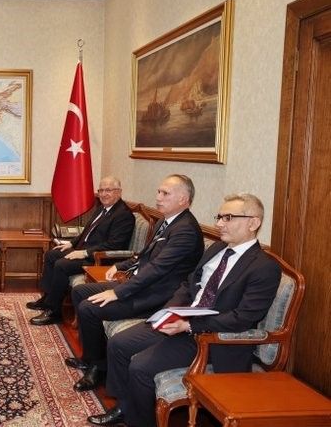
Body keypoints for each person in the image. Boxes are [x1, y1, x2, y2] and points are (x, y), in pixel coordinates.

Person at [88, 193, 281, 427]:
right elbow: (188, 285)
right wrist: (171, 311)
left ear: (253, 223)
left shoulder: (264, 267)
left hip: (211, 338)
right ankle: (125, 407)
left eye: (228, 218)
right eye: (219, 217)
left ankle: (137, 421)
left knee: (140, 367)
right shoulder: (217, 248)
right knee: (119, 344)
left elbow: (243, 318)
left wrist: (188, 325)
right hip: (183, 320)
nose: (220, 224)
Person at [68, 174, 204, 392]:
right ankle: (90, 357)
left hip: (154, 296)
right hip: (138, 284)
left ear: (183, 199)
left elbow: (157, 269)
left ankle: (98, 369)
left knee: (88, 308)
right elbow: (144, 255)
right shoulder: (165, 221)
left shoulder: (185, 230)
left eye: (165, 193)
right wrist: (120, 266)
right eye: (158, 192)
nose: (158, 197)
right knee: (81, 292)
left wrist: (118, 292)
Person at [28, 176, 135, 326]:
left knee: (62, 265)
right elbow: (86, 232)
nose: (103, 194)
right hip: (85, 251)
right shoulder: (102, 209)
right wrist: (70, 243)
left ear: (119, 192)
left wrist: (84, 253)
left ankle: (54, 311)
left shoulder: (123, 215)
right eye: (101, 190)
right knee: (51, 254)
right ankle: (47, 299)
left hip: (99, 259)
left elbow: (114, 245)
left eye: (108, 190)